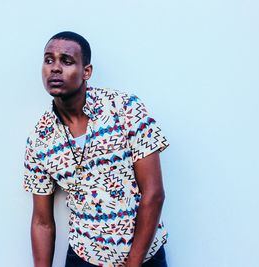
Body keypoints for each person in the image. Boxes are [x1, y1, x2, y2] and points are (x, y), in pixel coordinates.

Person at [23, 31, 170, 267]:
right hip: (84, 258)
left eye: (67, 61)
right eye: (48, 60)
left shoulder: (125, 109)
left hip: (145, 258)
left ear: (86, 71)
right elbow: (42, 221)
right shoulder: (40, 139)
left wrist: (133, 263)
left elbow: (153, 194)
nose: (55, 68)